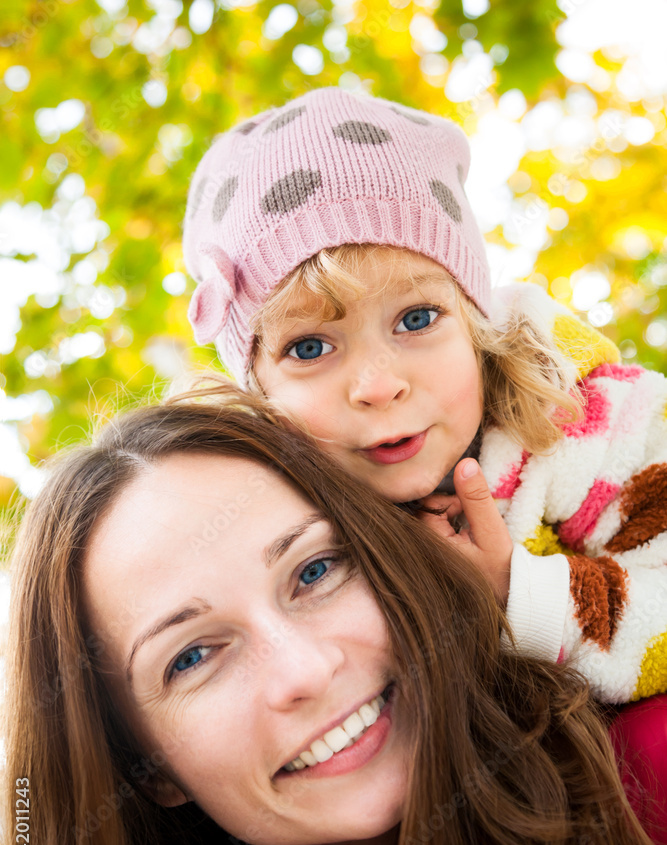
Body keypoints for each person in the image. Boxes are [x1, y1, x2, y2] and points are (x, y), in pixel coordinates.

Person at [2, 380, 667, 845]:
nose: (305, 671)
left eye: (315, 570)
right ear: (145, 767)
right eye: (192, 656)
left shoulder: (650, 780)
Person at [182, 86, 667, 705]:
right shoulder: (272, 518)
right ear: (261, 395)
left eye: (415, 320)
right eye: (310, 348)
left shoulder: (576, 412)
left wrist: (515, 593)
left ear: (475, 322)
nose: (380, 385)